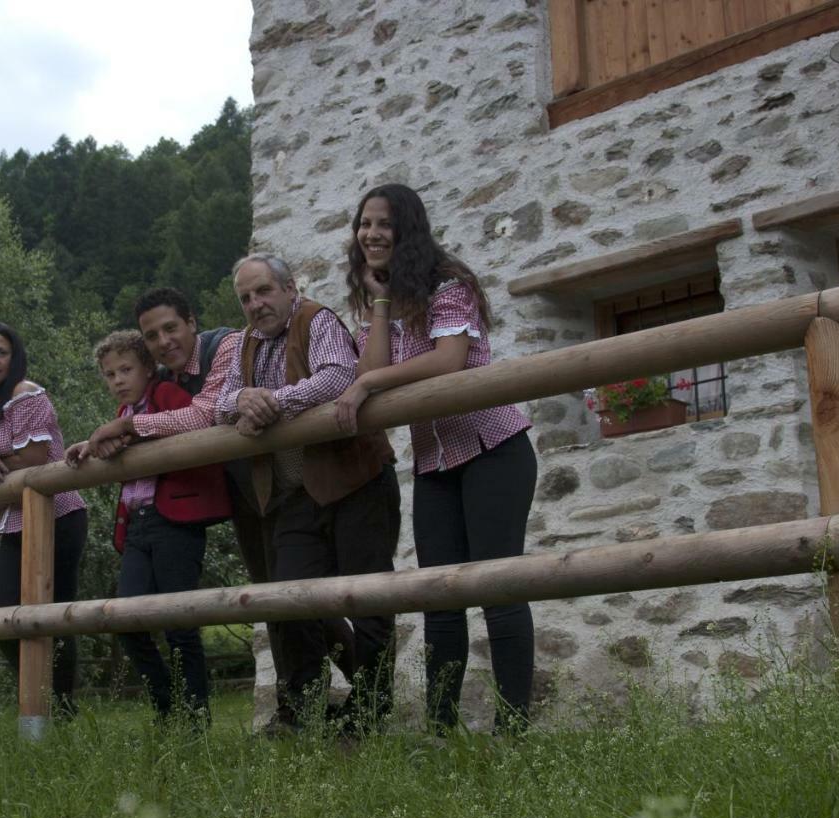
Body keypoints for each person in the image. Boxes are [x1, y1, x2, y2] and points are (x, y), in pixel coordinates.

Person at [82, 287, 357, 728]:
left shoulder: (227, 343)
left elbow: (205, 414)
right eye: (152, 336)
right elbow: (169, 422)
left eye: (171, 327)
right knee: (273, 597)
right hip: (244, 495)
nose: (164, 340)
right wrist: (114, 435)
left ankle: (353, 690)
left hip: (284, 485)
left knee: (295, 592)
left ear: (192, 321)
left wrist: (127, 425)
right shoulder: (165, 384)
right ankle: (303, 706)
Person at [334, 183, 537, 735]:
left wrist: (368, 382)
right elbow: (368, 373)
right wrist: (377, 302)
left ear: (408, 231)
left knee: (498, 589)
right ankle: (441, 733)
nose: (372, 234)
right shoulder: (380, 305)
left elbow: (448, 361)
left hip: (494, 449)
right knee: (438, 599)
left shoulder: (451, 287)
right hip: (434, 465)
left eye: (384, 224)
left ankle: (514, 730)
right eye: (364, 224)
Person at [217, 254, 401, 735]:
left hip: (356, 479)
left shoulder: (316, 319)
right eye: (246, 298)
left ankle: (368, 717)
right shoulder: (244, 345)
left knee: (368, 598)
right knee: (288, 599)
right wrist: (240, 400)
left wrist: (272, 403)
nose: (255, 305)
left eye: (263, 292)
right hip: (298, 493)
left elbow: (339, 377)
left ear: (289, 287)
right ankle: (303, 712)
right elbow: (221, 400)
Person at [66, 331, 230, 722]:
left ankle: (194, 716)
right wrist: (89, 447)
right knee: (125, 619)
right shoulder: (121, 417)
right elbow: (115, 441)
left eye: (126, 370)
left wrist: (126, 433)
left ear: (148, 369)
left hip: (175, 520)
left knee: (178, 620)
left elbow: (188, 423)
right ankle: (166, 704)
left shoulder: (168, 395)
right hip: (137, 526)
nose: (118, 380)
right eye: (109, 375)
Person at [0, 322, 87, 712]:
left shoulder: (25, 395)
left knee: (54, 613)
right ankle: (42, 697)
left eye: (1, 352)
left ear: (14, 359)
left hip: (59, 512)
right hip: (16, 519)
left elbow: (36, 458)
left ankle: (60, 711)